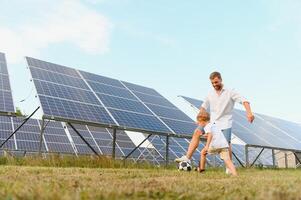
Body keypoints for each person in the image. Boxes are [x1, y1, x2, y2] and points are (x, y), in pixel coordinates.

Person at [176, 71, 254, 173]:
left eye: (216, 82)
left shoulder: (230, 91)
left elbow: (245, 101)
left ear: (221, 80)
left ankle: (228, 168)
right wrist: (200, 119)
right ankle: (187, 157)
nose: (214, 85)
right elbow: (203, 107)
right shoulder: (210, 93)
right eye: (212, 83)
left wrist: (249, 113)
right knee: (197, 132)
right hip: (212, 123)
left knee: (226, 146)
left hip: (225, 123)